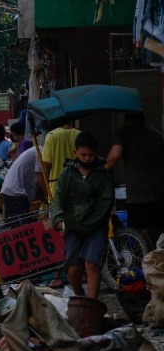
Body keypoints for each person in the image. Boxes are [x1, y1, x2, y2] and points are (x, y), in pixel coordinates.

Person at [51, 132, 114, 299]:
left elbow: (105, 204)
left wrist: (90, 224)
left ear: (97, 152)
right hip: (72, 226)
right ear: (75, 152)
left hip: (96, 226)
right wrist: (57, 218)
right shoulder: (67, 173)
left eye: (91, 155)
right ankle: (79, 295)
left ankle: (92, 304)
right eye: (83, 154)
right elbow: (58, 199)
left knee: (92, 264)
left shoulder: (104, 174)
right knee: (72, 269)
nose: (87, 158)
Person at [107, 113, 164, 243]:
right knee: (158, 231)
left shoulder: (122, 133)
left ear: (126, 120)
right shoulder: (155, 132)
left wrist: (104, 167)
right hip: (160, 191)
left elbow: (114, 155)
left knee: (140, 233)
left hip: (138, 194)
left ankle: (145, 259)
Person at [0, 146, 46, 220]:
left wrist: (47, 201)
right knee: (20, 227)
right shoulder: (41, 152)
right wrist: (52, 200)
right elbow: (41, 183)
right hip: (16, 193)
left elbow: (37, 186)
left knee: (17, 225)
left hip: (13, 192)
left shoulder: (37, 151)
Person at [41, 123, 80, 198]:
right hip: (79, 186)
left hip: (57, 188)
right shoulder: (80, 134)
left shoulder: (51, 135)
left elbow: (47, 165)